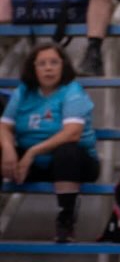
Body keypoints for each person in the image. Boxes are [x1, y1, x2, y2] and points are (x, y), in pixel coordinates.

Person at [0, 42, 99, 243]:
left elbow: (72, 133)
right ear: (33, 68)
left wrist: (32, 152)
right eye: (42, 63)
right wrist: (9, 150)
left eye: (54, 62)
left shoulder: (73, 91)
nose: (48, 68)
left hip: (76, 164)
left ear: (63, 66)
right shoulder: (23, 92)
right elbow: (4, 126)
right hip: (32, 165)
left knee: (67, 151)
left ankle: (66, 219)